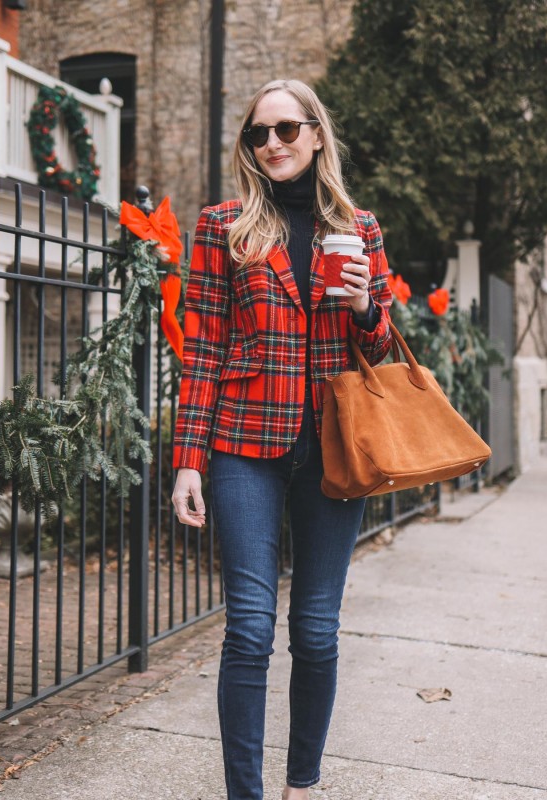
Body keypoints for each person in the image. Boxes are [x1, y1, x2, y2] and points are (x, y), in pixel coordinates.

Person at [171, 79, 393, 800]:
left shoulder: (360, 229)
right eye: (258, 134)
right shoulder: (224, 226)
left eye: (287, 130)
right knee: (249, 630)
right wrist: (187, 463)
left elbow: (384, 351)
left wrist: (363, 303)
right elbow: (202, 350)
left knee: (318, 630)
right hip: (244, 448)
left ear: (317, 134)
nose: (272, 144)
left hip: (336, 450)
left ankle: (302, 784)